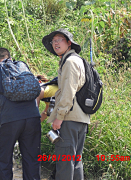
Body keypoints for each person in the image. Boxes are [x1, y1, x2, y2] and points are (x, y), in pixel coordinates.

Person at [0, 47, 41, 180]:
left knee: (5, 159)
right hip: (33, 117)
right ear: (10, 57)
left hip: (10, 120)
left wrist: (6, 114)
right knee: (32, 158)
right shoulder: (22, 66)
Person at [42, 28, 90, 180]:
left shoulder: (69, 62)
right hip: (80, 118)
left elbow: (68, 92)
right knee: (75, 161)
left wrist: (59, 117)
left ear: (69, 43)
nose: (55, 43)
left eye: (59, 40)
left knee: (64, 163)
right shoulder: (77, 60)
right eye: (53, 41)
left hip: (69, 118)